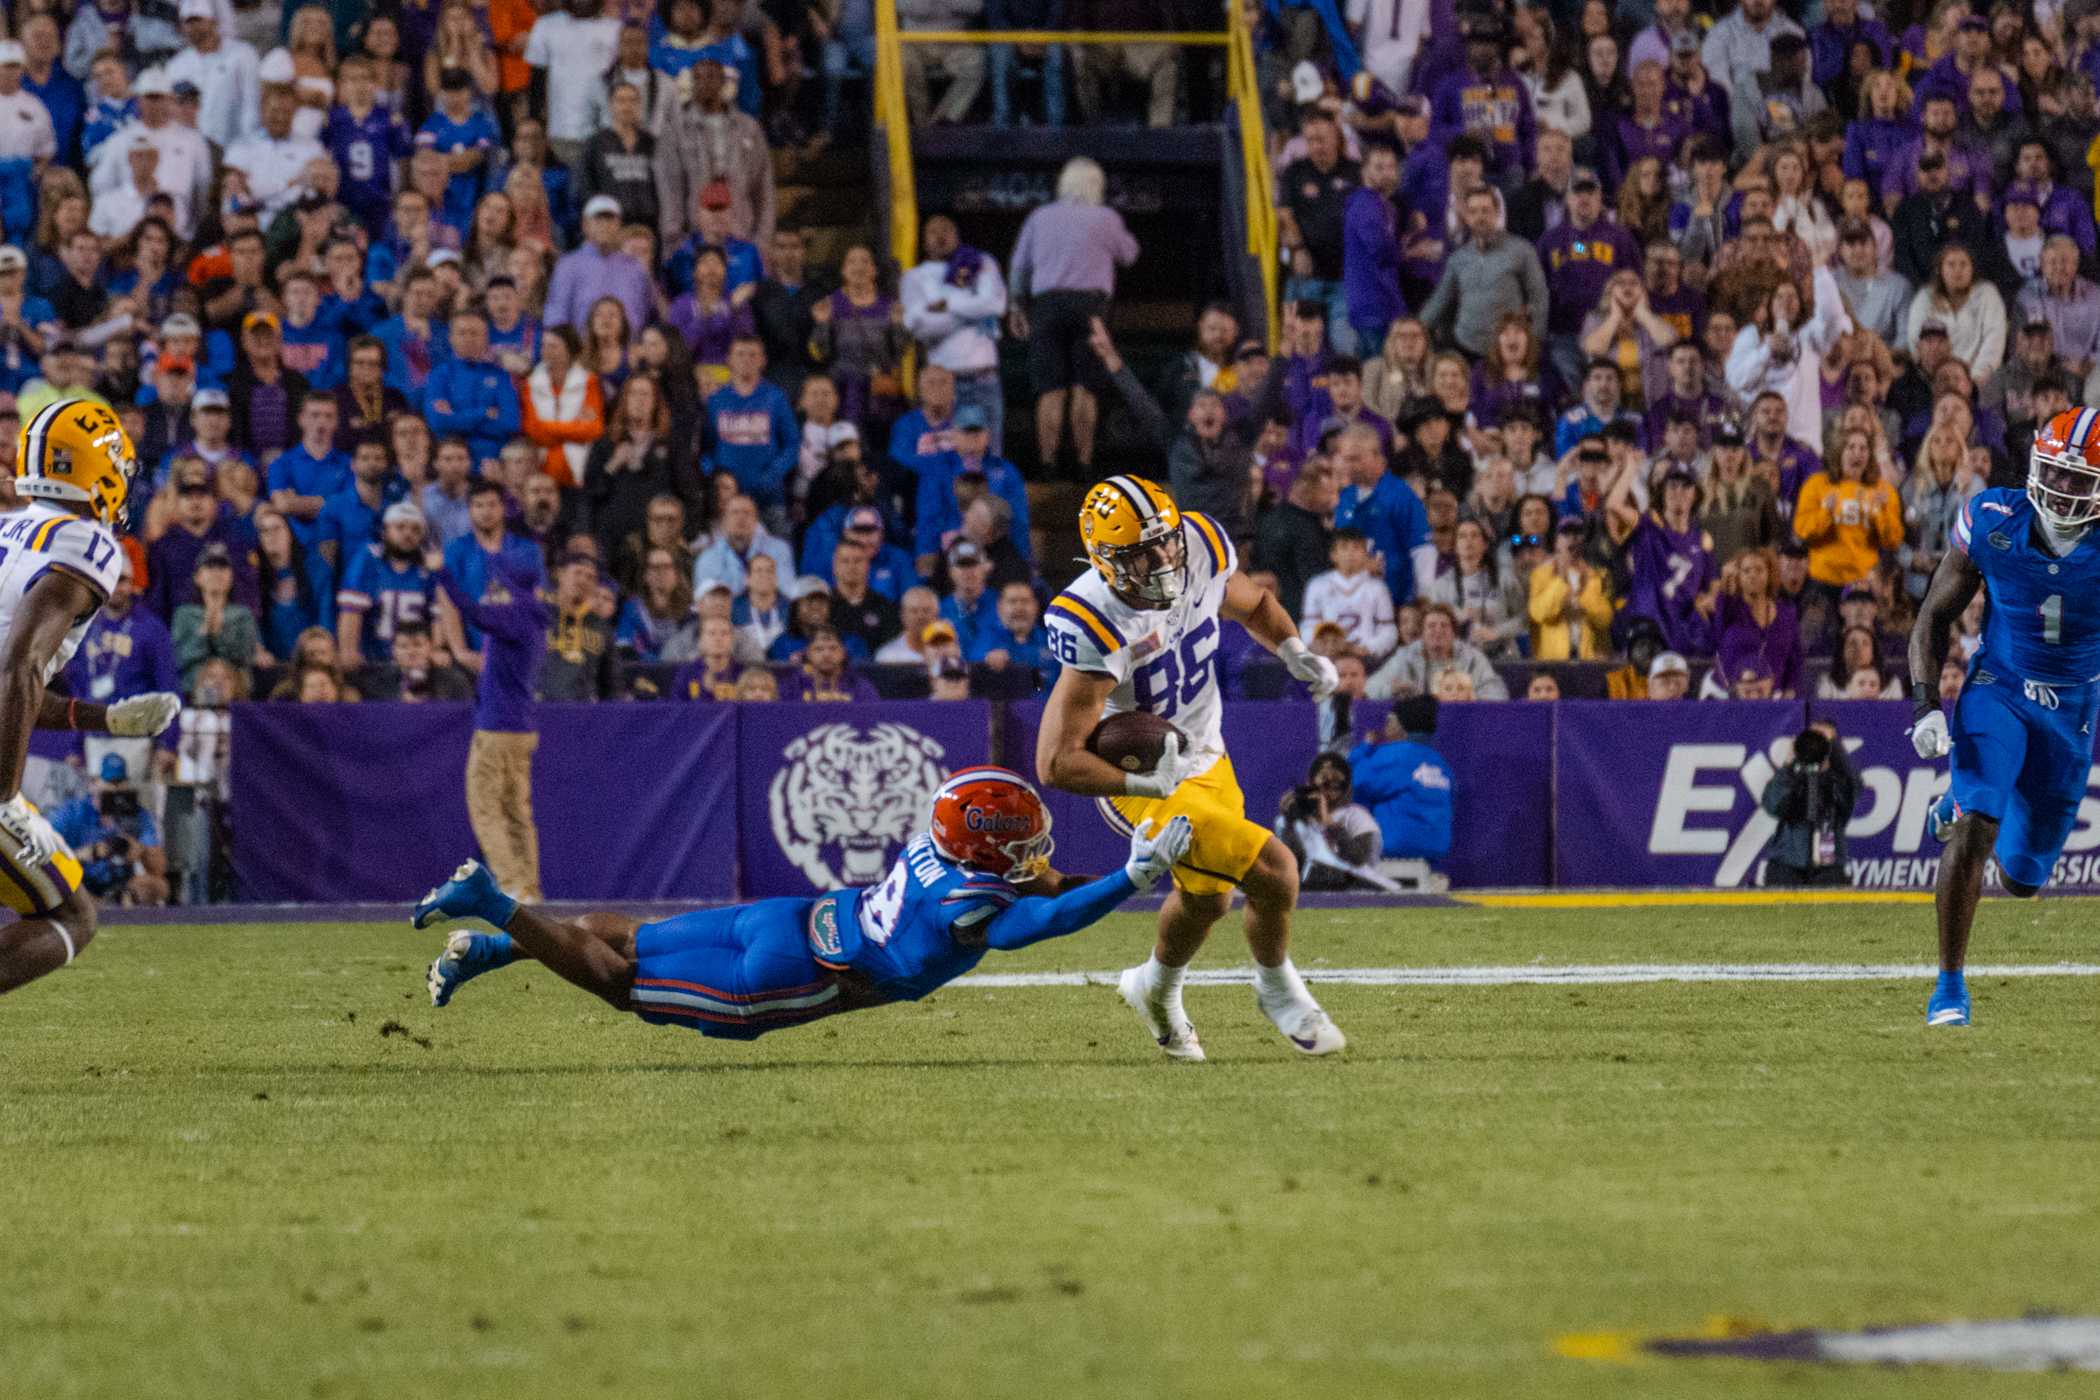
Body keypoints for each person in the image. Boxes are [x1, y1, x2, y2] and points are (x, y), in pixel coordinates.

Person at [419, 767, 1191, 1034]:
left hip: (793, 915)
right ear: (987, 851)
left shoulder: (938, 846)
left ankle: (492, 950)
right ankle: (493, 903)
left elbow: (1037, 879)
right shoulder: (976, 902)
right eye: (1021, 845)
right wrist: (1132, 878)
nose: (1035, 856)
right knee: (620, 986)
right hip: (796, 973)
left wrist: (1112, 866)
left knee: (633, 938)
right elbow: (1042, 915)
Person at [1036, 475, 1345, 1060]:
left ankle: (1155, 987)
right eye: (1139, 554)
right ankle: (1277, 989)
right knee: (1276, 870)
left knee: (1209, 900)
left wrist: (1294, 650)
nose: (1161, 560)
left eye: (1165, 542)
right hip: (1143, 776)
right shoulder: (1094, 618)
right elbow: (1055, 761)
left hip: (1207, 752)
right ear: (1104, 562)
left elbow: (1255, 604)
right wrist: (1139, 783)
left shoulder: (1200, 545)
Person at [1905, 407, 2100, 1027]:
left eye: (2080, 479)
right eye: (2056, 473)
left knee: (2020, 881)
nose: (2063, 490)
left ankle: (1958, 800)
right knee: (1978, 825)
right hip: (2000, 685)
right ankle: (1949, 985)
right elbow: (1935, 616)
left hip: (2072, 707)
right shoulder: (1992, 519)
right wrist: (1925, 705)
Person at [0, 401, 182, 993]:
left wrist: (101, 718)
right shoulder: (90, 545)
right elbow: (20, 666)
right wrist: (3, 794)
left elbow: (13, 678)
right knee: (71, 916)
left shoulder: (9, 528)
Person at [1007, 157, 1137, 474]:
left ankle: (1048, 462)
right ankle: (1084, 461)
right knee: (1085, 386)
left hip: (1047, 304)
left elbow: (1019, 267)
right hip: (1091, 306)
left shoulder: (1040, 217)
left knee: (1050, 388)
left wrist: (1015, 306)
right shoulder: (1106, 217)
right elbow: (1130, 255)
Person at [434, 548, 548, 902]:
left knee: (486, 808)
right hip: (521, 725)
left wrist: (442, 574)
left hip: (498, 726)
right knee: (517, 808)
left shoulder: (514, 614)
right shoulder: (533, 615)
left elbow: (473, 613)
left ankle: (512, 882)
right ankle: (528, 885)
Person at [1346, 695, 1452, 865]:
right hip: (1436, 847)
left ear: (1400, 726)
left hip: (1396, 846)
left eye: (1389, 721)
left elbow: (1352, 781)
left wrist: (1364, 747)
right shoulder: (1440, 763)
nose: (1385, 726)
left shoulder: (1391, 755)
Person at [1759, 722, 1860, 887]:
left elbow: (1853, 791)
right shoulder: (1791, 777)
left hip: (1829, 863)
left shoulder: (1839, 780)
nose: (1815, 745)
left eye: (1822, 740)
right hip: (1787, 861)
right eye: (1812, 738)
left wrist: (1834, 752)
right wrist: (1789, 764)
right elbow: (1772, 804)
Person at [1276, 750, 1384, 890]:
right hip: (1308, 888)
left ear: (1345, 788)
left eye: (1335, 787)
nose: (1327, 793)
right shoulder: (1295, 818)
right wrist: (1290, 824)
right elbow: (1293, 864)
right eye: (1322, 786)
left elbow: (1359, 861)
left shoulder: (1356, 816)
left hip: (1351, 889)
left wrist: (1331, 825)